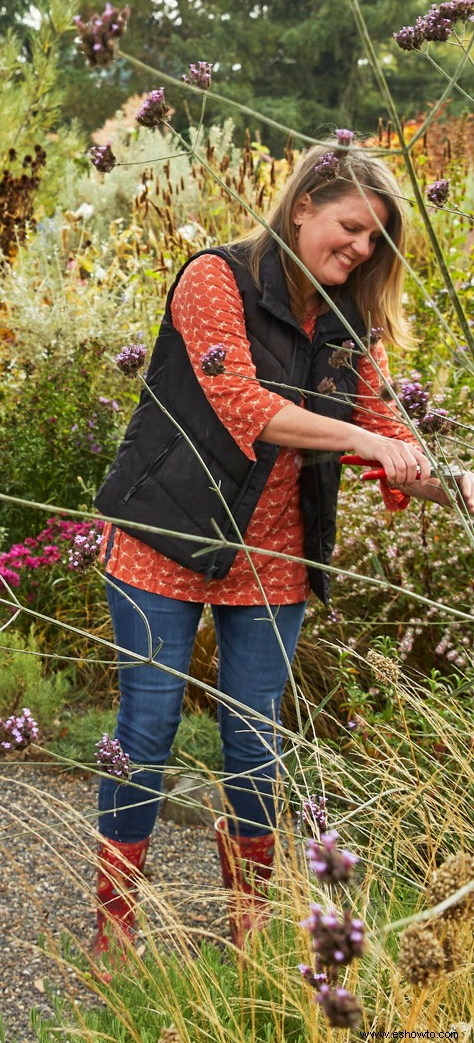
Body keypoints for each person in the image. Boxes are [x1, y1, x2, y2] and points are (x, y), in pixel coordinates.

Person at [89, 140, 473, 959]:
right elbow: (244, 406)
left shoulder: (347, 321)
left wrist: (455, 480)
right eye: (351, 227)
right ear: (303, 206)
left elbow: (388, 429)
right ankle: (115, 924)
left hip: (274, 559)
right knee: (147, 728)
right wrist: (361, 438)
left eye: (376, 240)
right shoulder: (214, 279)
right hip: (168, 537)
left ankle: (250, 926)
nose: (363, 249)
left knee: (257, 741)